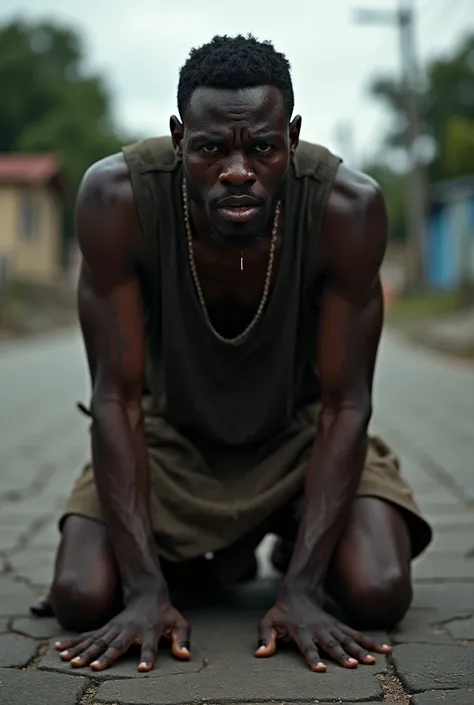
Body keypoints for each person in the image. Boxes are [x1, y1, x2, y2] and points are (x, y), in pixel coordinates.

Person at [31, 34, 432, 674]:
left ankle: (276, 555)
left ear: (292, 139)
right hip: (170, 441)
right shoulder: (118, 199)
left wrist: (301, 590)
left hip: (299, 439)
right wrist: (142, 592)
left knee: (378, 590)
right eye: (213, 148)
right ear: (180, 136)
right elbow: (115, 399)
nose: (238, 171)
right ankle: (212, 561)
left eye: (264, 148)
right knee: (84, 598)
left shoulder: (346, 209)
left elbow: (345, 405)